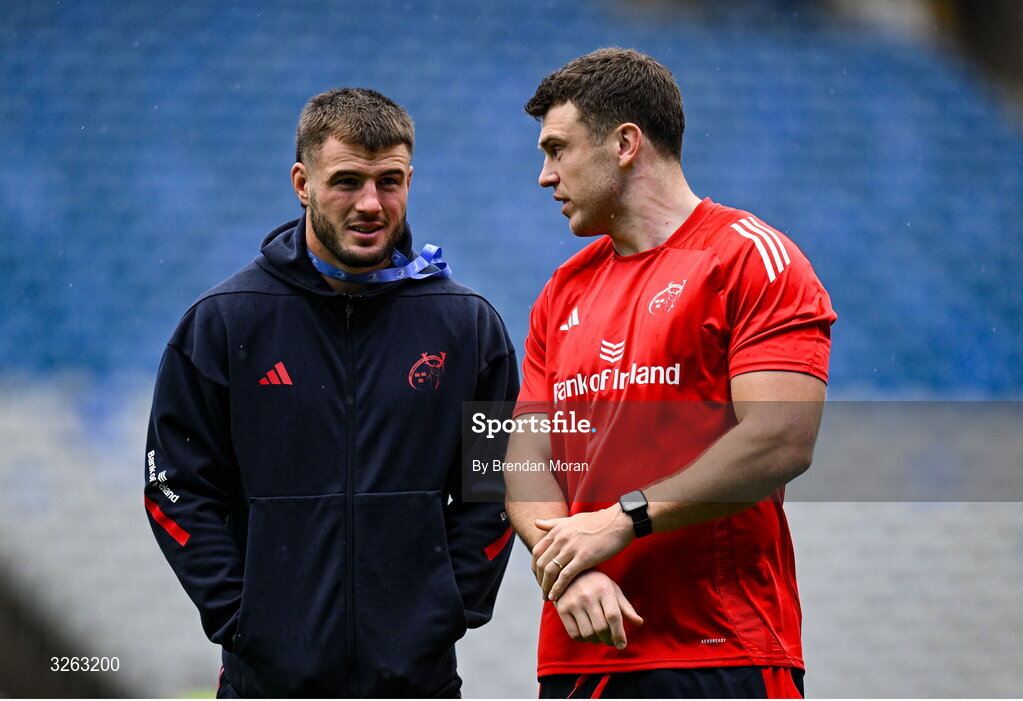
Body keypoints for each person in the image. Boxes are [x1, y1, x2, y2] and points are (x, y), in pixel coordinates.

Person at [144, 88, 518, 698]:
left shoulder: (468, 327)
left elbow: (501, 481)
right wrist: (245, 617)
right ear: (302, 181)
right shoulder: (224, 323)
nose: (370, 204)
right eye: (346, 181)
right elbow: (175, 488)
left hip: (418, 681)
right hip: (265, 682)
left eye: (389, 182)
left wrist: (446, 605)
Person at [504, 49, 837, 699]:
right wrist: (567, 571)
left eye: (556, 149)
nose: (545, 176)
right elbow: (518, 457)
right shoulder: (559, 292)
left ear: (625, 143)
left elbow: (782, 438)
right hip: (581, 658)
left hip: (719, 649)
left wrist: (621, 519)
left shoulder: (749, 257)